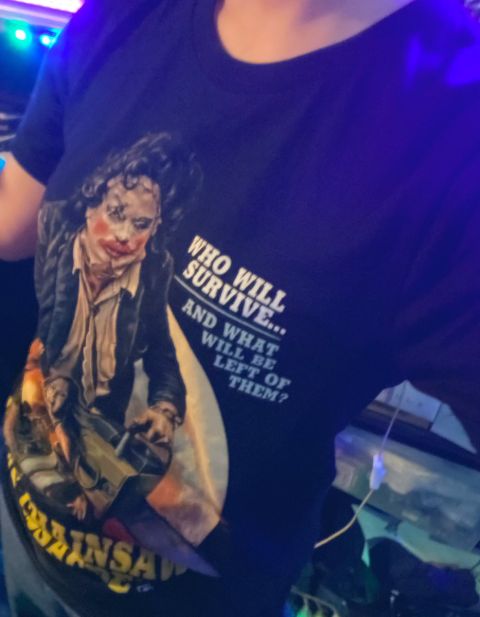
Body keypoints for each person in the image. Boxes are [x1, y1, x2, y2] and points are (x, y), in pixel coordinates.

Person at [0, 0, 479, 615]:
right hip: (21, 524)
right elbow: (16, 220)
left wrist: (164, 408)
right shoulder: (122, 13)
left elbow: (162, 356)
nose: (121, 236)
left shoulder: (456, 136)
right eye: (114, 214)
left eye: (139, 224)